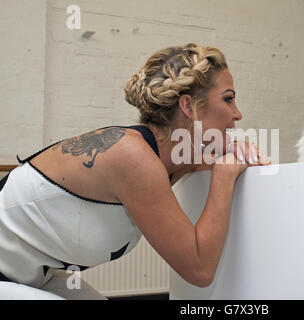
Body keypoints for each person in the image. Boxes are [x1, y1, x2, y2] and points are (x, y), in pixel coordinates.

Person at [0, 43, 271, 299]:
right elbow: (199, 269)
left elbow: (212, 156)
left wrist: (234, 151)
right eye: (228, 99)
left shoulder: (168, 157)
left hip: (31, 274)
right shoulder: (131, 156)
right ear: (188, 106)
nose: (238, 114)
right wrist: (224, 174)